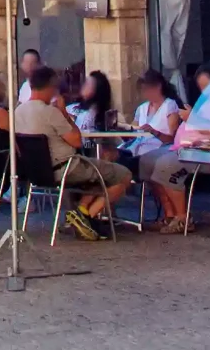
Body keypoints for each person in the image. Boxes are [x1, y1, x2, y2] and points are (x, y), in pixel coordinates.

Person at [11, 66, 131, 241]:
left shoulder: (17, 112)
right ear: (51, 88)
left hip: (36, 173)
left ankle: (80, 213)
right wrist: (64, 113)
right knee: (123, 175)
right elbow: (76, 141)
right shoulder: (50, 112)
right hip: (67, 168)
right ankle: (86, 217)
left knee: (100, 175)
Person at [129, 70, 188, 231]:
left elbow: (172, 137)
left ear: (158, 87)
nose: (146, 93)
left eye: (148, 89)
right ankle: (169, 214)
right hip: (139, 149)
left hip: (161, 148)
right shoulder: (142, 108)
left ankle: (176, 215)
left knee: (159, 169)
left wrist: (153, 131)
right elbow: (132, 130)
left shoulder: (170, 105)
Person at [67, 70, 114, 135]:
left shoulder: (94, 114)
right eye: (85, 82)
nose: (84, 85)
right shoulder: (71, 107)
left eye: (88, 84)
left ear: (98, 89)